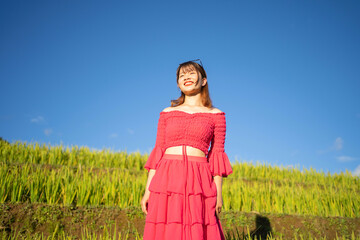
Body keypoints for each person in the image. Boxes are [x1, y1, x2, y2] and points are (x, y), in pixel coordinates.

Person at [141, 59, 233, 240]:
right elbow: (158, 151)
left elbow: (216, 156)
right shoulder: (166, 113)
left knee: (198, 229)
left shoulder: (217, 115)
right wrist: (148, 191)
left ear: (204, 80)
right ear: (178, 84)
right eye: (182, 75)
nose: (186, 77)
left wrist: (218, 194)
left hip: (199, 178)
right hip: (166, 177)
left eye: (191, 73)